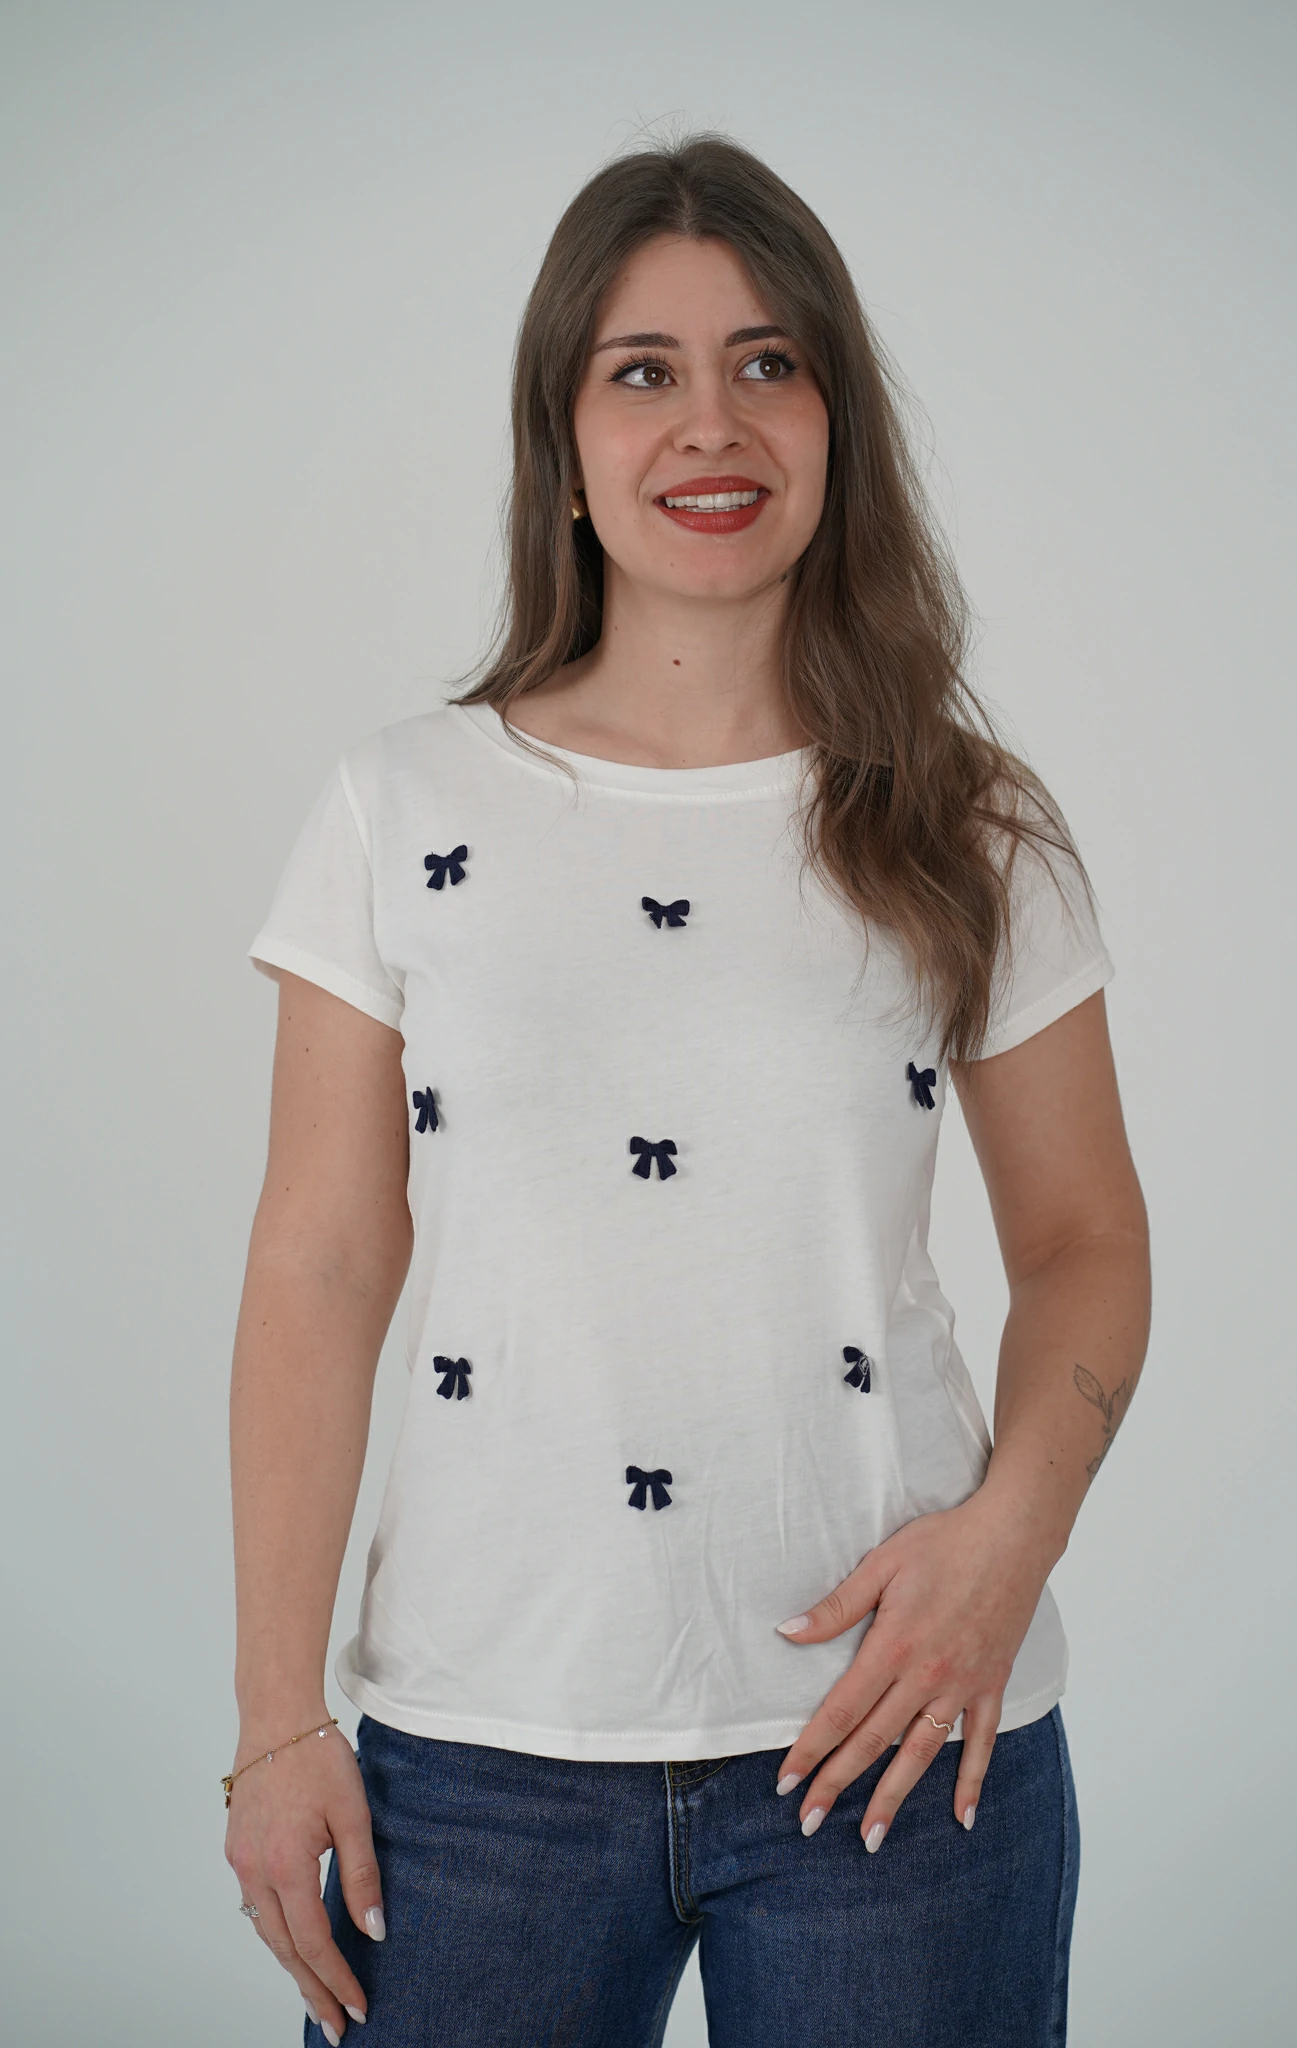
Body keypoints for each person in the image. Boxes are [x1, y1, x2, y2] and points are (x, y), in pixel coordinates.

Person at [225, 133, 1151, 2048]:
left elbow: (1085, 1240)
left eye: (767, 363)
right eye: (641, 370)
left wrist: (1010, 1543)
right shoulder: (403, 807)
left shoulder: (965, 822)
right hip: (475, 1759)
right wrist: (273, 1719)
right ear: (562, 444)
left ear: (836, 420)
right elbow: (318, 1265)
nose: (710, 423)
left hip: (904, 1722)